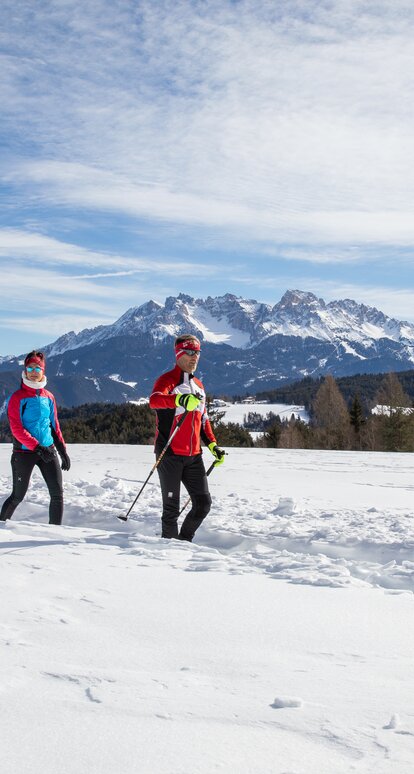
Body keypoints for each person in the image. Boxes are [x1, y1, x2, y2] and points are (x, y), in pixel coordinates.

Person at [149, 333, 225, 541]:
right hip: (170, 454)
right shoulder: (167, 380)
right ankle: (169, 552)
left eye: (198, 352)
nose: (195, 357)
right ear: (179, 353)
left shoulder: (199, 385)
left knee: (203, 505)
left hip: (194, 456)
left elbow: (204, 420)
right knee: (171, 510)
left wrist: (213, 446)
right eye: (190, 352)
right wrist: (179, 399)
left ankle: (184, 541)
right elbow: (155, 401)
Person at [0, 351, 70, 525]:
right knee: (17, 496)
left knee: (57, 495)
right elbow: (16, 429)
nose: (33, 371)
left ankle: (54, 533)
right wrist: (37, 447)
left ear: (43, 371)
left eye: (37, 368)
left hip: (48, 450)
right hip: (23, 453)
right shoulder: (17, 398)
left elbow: (54, 426)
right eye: (30, 367)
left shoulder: (49, 397)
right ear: (25, 370)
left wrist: (62, 452)